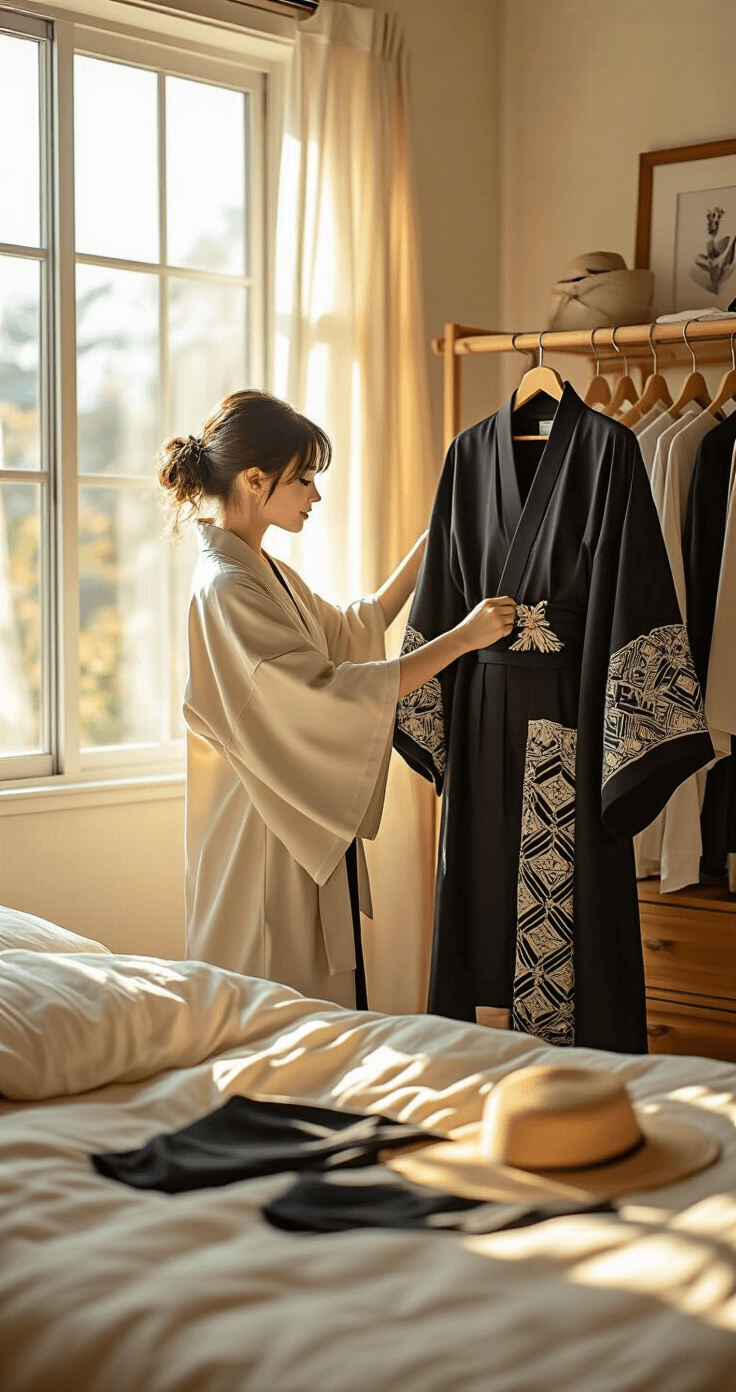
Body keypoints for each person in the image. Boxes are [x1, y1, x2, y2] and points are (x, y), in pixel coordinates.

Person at [157, 389, 516, 1009]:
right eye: (303, 481)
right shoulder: (227, 588)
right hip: (263, 830)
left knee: (310, 1014)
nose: (315, 497)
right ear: (253, 479)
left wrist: (433, 539)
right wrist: (462, 639)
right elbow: (328, 691)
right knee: (273, 1009)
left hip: (287, 813)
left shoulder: (263, 571)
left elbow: (354, 629)